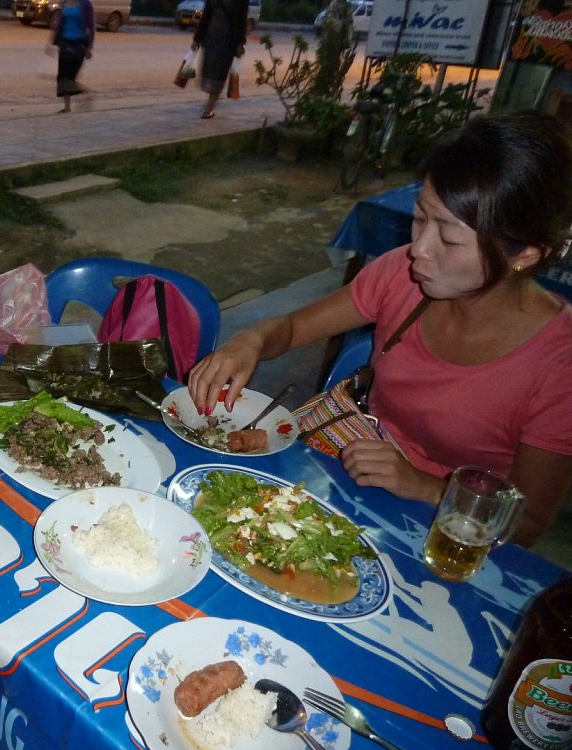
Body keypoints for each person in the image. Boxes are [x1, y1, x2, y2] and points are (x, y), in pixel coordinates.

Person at [188, 112, 572, 547]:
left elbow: (530, 523)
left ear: (524, 254)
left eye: (448, 239)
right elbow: (293, 328)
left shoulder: (559, 363)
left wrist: (424, 486)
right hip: (350, 475)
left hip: (446, 532)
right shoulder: (401, 276)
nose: (419, 250)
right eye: (421, 217)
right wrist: (249, 341)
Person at [191, 0, 248, 119]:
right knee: (207, 71)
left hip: (227, 41)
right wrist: (197, 39)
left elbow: (241, 20)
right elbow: (206, 16)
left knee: (218, 73)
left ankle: (210, 106)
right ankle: (212, 99)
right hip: (210, 38)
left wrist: (240, 43)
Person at [47, 0, 94, 113]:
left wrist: (89, 47)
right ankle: (67, 107)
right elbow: (58, 25)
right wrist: (50, 42)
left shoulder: (85, 4)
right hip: (65, 42)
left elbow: (91, 26)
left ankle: (86, 92)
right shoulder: (64, 3)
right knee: (62, 77)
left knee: (70, 78)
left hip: (79, 44)